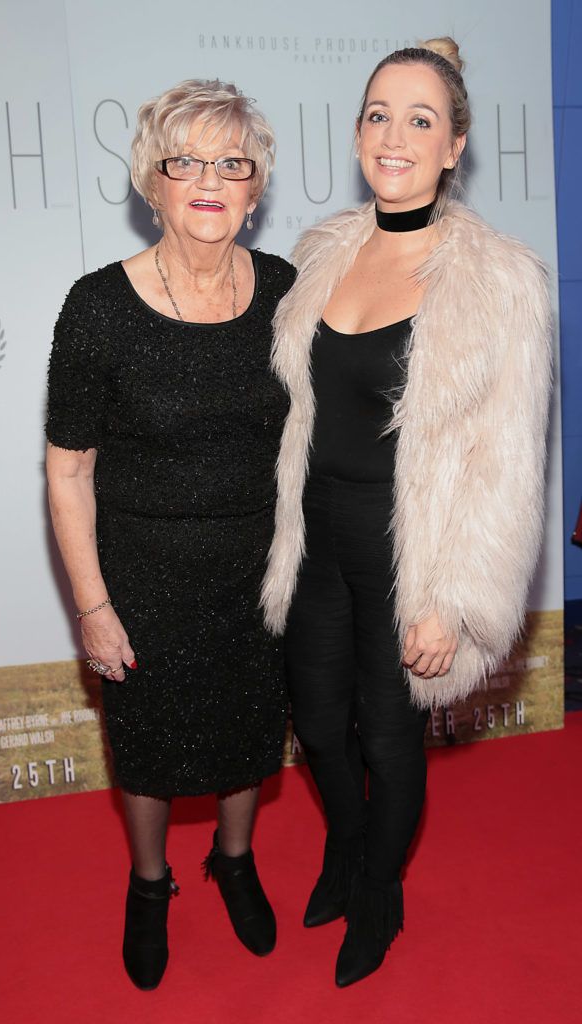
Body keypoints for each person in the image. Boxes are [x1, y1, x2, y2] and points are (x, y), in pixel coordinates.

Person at [261, 38, 551, 987]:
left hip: (409, 553)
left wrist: (453, 599)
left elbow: (505, 463)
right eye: (378, 114)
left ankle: (378, 891)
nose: (395, 136)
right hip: (313, 539)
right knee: (315, 717)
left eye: (420, 119)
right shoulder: (321, 253)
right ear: (357, 134)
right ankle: (348, 846)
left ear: (454, 144)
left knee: (388, 734)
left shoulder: (499, 280)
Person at [46, 79, 295, 990]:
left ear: (254, 187)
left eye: (231, 163)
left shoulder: (283, 290)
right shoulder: (96, 307)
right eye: (184, 160)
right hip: (142, 576)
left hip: (257, 571)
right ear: (150, 182)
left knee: (247, 734)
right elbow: (69, 468)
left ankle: (234, 861)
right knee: (148, 746)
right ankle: (149, 884)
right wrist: (94, 606)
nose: (208, 180)